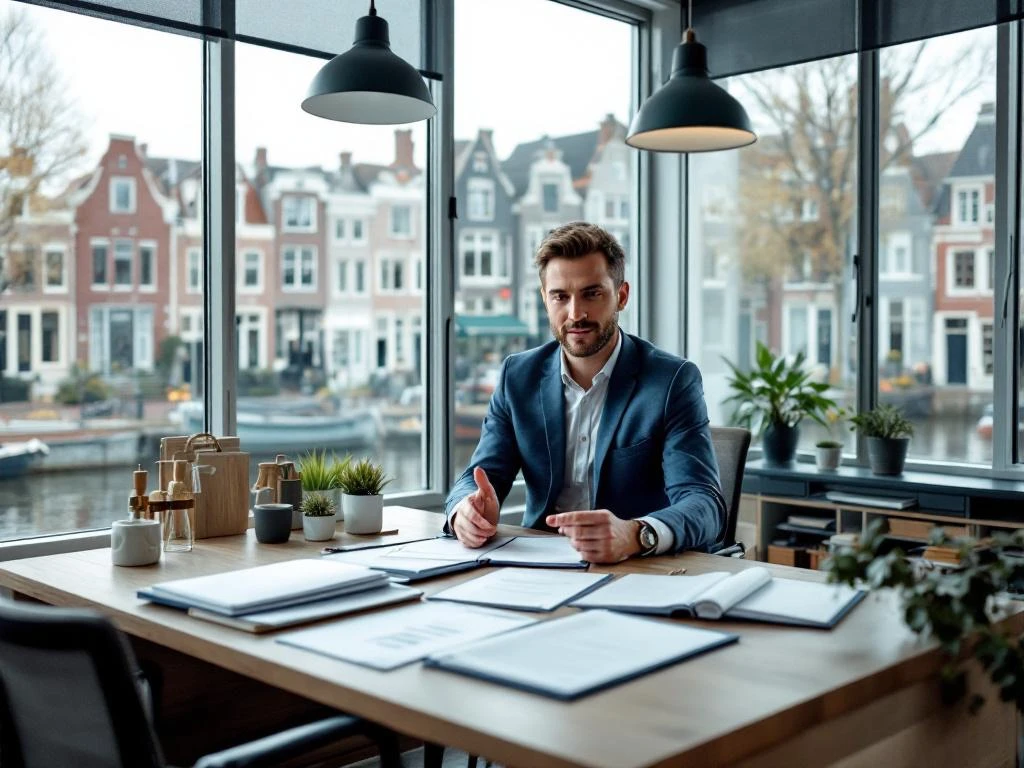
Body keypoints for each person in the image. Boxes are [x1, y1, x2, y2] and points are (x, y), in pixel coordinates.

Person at [444, 221, 726, 563]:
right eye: (560, 296)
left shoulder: (671, 381)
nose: (575, 313)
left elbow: (704, 504)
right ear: (545, 300)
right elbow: (478, 477)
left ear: (621, 295)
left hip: (636, 567)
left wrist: (637, 533)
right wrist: (465, 513)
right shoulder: (517, 377)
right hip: (538, 566)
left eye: (592, 294)